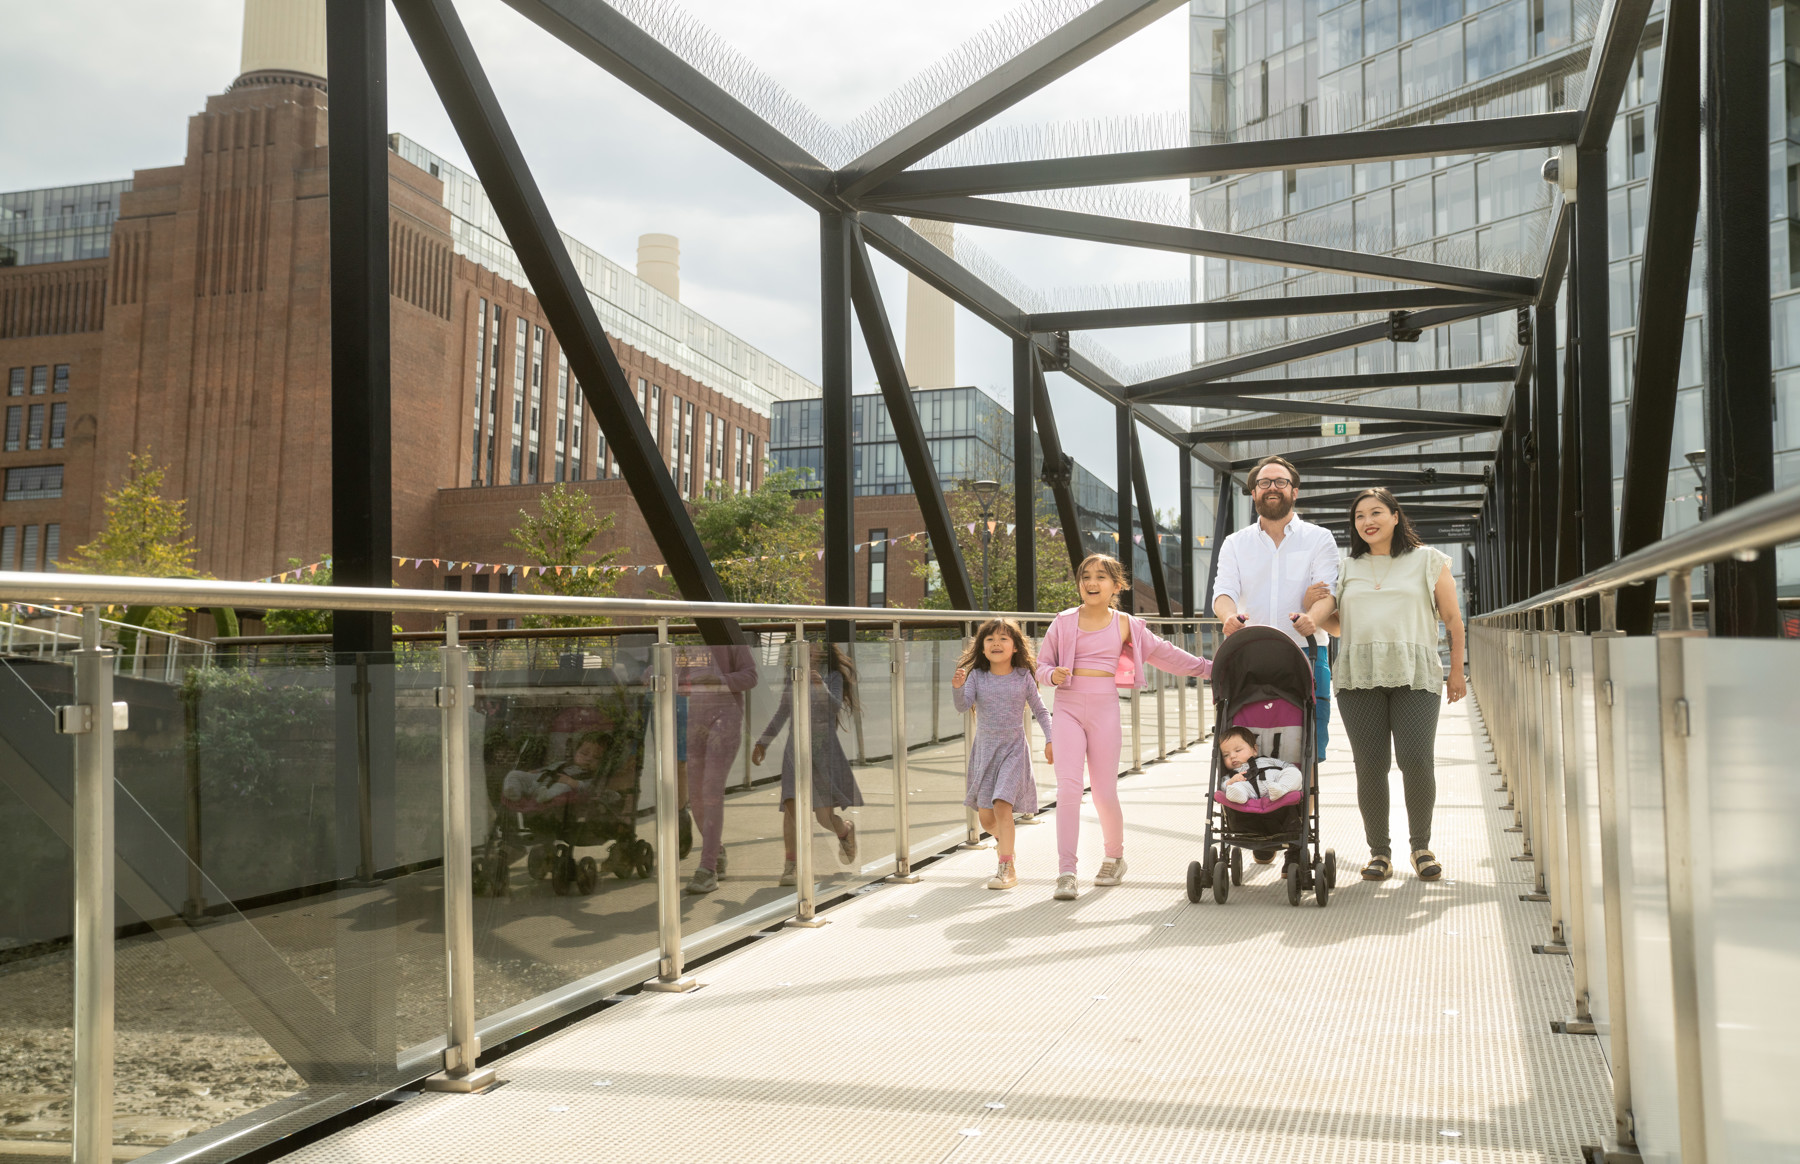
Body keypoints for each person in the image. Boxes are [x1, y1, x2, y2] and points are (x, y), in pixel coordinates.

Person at [1035, 553, 1213, 900]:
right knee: (1069, 790)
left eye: (1101, 577)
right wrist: (1050, 674)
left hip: (1104, 708)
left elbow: (1167, 654)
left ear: (1117, 586)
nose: (1091, 583)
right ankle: (1066, 871)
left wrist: (1210, 668)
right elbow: (1041, 664)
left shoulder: (1126, 625)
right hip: (1068, 707)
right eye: (1085, 576)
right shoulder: (1063, 621)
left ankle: (1114, 857)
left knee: (1103, 792)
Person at [1318, 488, 1466, 883]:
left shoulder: (1428, 561)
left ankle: (1421, 847)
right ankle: (1379, 852)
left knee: (1416, 760)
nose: (1368, 521)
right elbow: (1338, 624)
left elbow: (1453, 620)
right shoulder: (1347, 567)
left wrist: (1456, 671)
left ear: (1396, 516)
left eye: (1377, 512)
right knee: (1370, 766)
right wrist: (1313, 609)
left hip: (1415, 673)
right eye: (1360, 516)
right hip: (1358, 675)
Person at [1211, 454, 1339, 809]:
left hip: (1307, 651)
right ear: (1253, 492)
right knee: (1246, 738)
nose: (1272, 487)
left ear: (1294, 491)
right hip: (1249, 655)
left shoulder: (1319, 538)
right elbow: (1223, 593)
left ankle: (1297, 839)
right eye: (1264, 482)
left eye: (1280, 481)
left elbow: (1327, 593)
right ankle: (1257, 819)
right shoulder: (1236, 543)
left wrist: (1313, 616)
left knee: (1307, 747)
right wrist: (1228, 617)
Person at [953, 618, 1054, 891]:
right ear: (982, 649)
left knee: (1002, 806)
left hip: (1013, 749)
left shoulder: (1023, 677)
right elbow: (962, 706)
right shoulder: (977, 676)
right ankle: (1005, 844)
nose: (996, 643)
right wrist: (957, 686)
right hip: (985, 752)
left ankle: (1006, 867)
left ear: (1016, 648)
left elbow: (1041, 710)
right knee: (987, 820)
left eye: (1003, 638)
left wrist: (1050, 738)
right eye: (990, 639)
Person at [751, 641, 861, 886]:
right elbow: (782, 713)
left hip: (822, 750)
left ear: (821, 652)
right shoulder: (793, 678)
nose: (808, 653)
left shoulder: (831, 676)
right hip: (794, 750)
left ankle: (845, 830)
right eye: (802, 649)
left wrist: (819, 686)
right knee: (791, 807)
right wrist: (762, 743)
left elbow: (834, 707)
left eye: (812, 648)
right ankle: (791, 865)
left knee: (823, 818)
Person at [681, 644, 758, 895]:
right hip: (695, 720)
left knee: (712, 790)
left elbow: (751, 676)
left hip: (726, 719)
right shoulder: (688, 639)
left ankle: (707, 867)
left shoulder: (728, 636)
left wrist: (718, 680)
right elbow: (679, 681)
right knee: (696, 796)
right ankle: (716, 851)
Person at [1217, 725, 1303, 805]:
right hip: (1251, 790)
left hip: (1276, 783)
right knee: (1236, 787)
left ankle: (1281, 789)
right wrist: (1231, 781)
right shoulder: (1234, 774)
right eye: (1226, 755)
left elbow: (1286, 765)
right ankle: (1239, 795)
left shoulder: (1266, 760)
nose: (1232, 756)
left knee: (1294, 772)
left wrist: (1291, 773)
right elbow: (1223, 785)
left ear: (1254, 750)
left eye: (1238, 750)